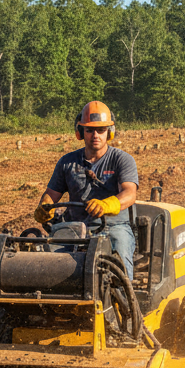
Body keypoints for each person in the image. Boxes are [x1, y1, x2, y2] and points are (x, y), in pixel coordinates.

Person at [34, 100, 139, 278]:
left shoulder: (122, 160)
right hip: (74, 227)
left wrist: (107, 205)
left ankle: (122, 294)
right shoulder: (67, 162)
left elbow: (129, 193)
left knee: (120, 259)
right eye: (90, 130)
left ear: (110, 132)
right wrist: (45, 206)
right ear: (80, 132)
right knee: (49, 262)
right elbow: (51, 195)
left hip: (114, 226)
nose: (95, 135)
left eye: (101, 130)